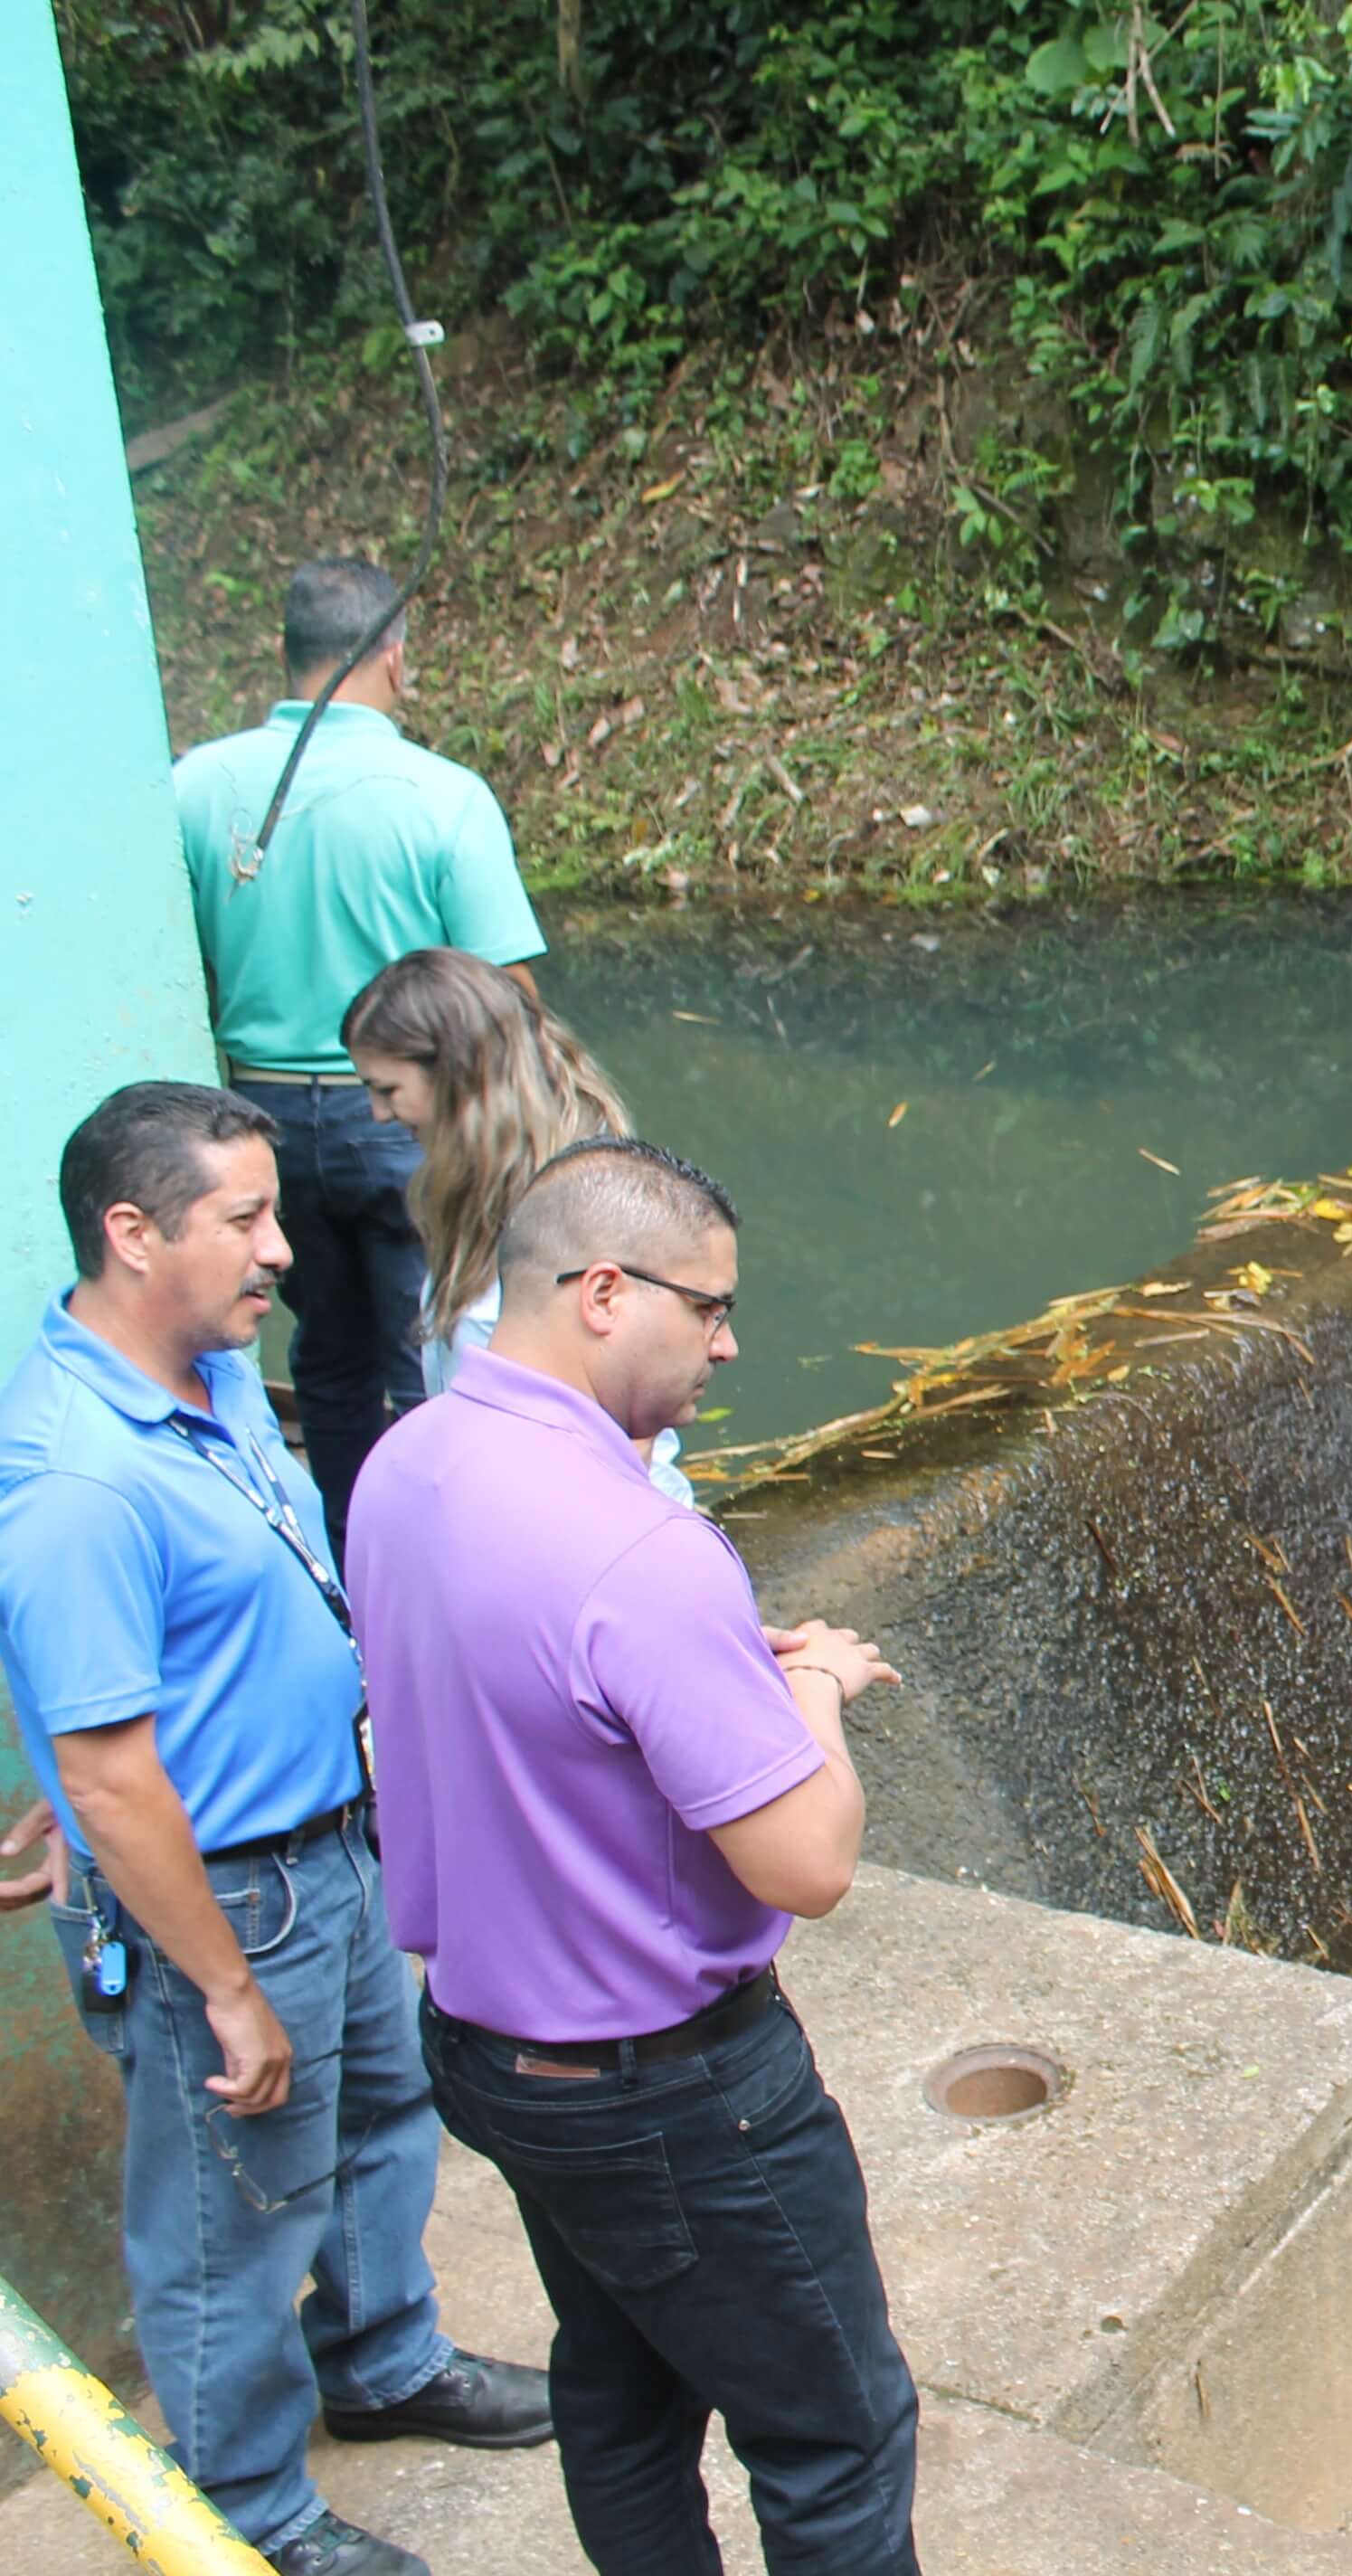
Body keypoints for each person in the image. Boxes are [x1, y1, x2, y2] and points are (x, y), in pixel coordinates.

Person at [348, 1137, 925, 2576]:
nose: (728, 1346)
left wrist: (710, 1672)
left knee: (620, 2396)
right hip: (672, 2093)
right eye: (710, 1308)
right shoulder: (639, 1550)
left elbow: (523, 1701)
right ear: (604, 1291)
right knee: (837, 2439)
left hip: (491, 2049)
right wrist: (812, 1689)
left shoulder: (406, 1463)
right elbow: (806, 1864)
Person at [0, 1082, 547, 2576]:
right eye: (244, 1219)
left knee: (381, 2113)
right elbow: (117, 1776)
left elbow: (174, 1651)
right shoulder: (74, 1477)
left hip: (330, 1843)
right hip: (230, 1903)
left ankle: (383, 2358)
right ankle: (246, 2506)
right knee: (231, 2209)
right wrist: (224, 1986)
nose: (283, 1249)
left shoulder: (211, 1370)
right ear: (133, 1233)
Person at [177, 558, 547, 1552]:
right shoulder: (443, 794)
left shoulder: (195, 785)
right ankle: (447, 1557)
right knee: (435, 1350)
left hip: (256, 1126)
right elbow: (507, 997)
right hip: (408, 1114)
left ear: (288, 653)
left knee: (328, 1361)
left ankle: (351, 1560)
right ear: (393, 656)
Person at [341, 947, 690, 1502]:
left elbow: (629, 1421)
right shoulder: (475, 1191)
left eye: (388, 1090)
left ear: (456, 1076)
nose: (377, 1113)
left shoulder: (577, 1202)